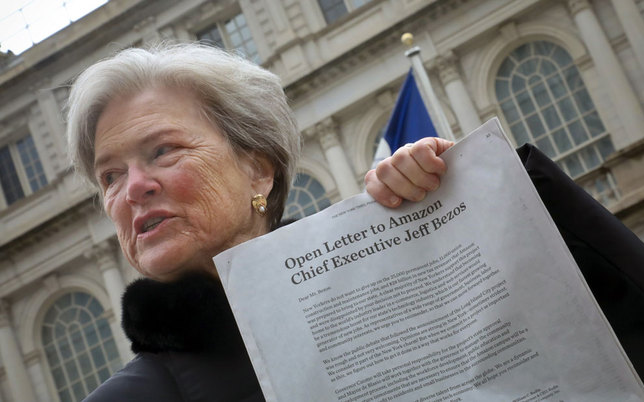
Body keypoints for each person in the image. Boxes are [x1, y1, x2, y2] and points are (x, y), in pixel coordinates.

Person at [67, 43, 452, 401]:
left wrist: (455, 197)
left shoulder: (390, 296)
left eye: (163, 150)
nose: (133, 188)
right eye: (111, 176)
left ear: (258, 171)